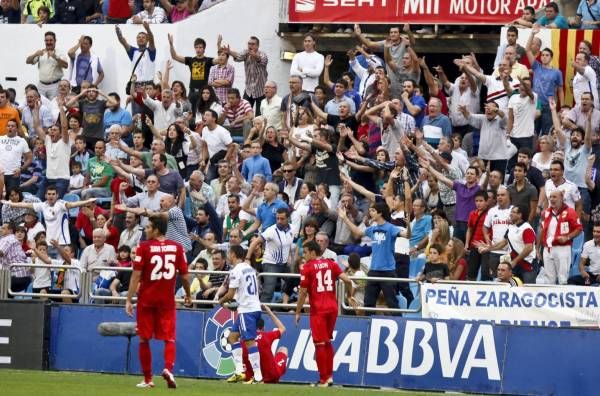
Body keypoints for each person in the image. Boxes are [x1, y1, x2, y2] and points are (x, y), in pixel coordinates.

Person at [125, 215, 192, 389]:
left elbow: (136, 275)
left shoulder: (144, 248)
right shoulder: (177, 248)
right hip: (167, 301)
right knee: (169, 338)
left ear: (156, 230)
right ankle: (168, 369)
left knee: (143, 339)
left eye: (148, 227)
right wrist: (188, 294)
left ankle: (148, 379)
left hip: (146, 300)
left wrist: (128, 299)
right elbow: (185, 276)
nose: (146, 230)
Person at [295, 240, 356, 387]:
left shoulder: (307, 268)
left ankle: (323, 379)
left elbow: (303, 293)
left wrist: (297, 311)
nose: (304, 255)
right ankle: (329, 377)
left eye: (305, 252)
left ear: (312, 252)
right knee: (327, 342)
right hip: (332, 308)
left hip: (318, 310)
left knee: (320, 343)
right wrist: (349, 296)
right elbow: (348, 281)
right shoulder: (331, 263)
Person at [339, 201, 401, 311]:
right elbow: (358, 232)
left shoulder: (391, 228)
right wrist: (345, 218)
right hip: (373, 270)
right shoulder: (372, 229)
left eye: (373, 210)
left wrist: (409, 225)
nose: (370, 212)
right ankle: (368, 325)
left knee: (392, 303)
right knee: (368, 303)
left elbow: (407, 235)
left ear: (380, 213)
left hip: (388, 271)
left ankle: (400, 324)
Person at [219, 245, 263, 384]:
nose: (228, 257)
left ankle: (258, 376)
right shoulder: (250, 268)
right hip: (253, 307)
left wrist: (221, 301)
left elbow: (231, 293)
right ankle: (239, 371)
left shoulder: (235, 270)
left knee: (250, 341)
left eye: (228, 254)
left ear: (233, 254)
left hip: (247, 310)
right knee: (232, 337)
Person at [479, 205, 537, 284]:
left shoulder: (526, 228)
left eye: (513, 212)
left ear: (520, 215)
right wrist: (488, 248)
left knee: (528, 290)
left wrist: (515, 261)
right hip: (515, 264)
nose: (510, 214)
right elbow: (504, 242)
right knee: (513, 287)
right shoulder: (511, 227)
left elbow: (529, 248)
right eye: (511, 212)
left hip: (527, 264)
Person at [246, 207, 293, 303]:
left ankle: (284, 301)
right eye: (277, 218)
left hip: (283, 264)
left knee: (293, 280)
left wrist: (289, 257)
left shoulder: (292, 228)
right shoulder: (271, 230)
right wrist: (247, 258)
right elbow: (254, 243)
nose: (279, 221)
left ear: (288, 219)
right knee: (269, 290)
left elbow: (288, 245)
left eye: (282, 219)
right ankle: (262, 312)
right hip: (270, 263)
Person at [538, 190, 583, 285]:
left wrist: (567, 237)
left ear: (562, 198)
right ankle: (551, 299)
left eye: (554, 197)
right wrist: (537, 248)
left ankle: (563, 299)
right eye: (550, 197)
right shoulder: (546, 213)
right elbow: (541, 230)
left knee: (563, 278)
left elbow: (579, 229)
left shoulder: (570, 212)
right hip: (547, 248)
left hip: (562, 248)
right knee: (549, 279)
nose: (551, 199)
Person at [241, 304, 288, 384]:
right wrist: (269, 311)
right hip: (271, 376)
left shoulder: (244, 339)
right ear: (263, 328)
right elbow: (282, 328)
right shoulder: (266, 336)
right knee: (283, 349)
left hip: (249, 376)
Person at [225, 35, 269, 115]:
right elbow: (238, 57)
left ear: (257, 46)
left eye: (253, 44)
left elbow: (261, 60)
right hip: (249, 90)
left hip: (261, 90)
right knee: (245, 113)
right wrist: (230, 52)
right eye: (249, 44)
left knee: (259, 115)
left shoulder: (263, 55)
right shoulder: (246, 53)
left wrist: (254, 55)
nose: (250, 46)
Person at [25, 31, 68, 100]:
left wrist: (55, 57)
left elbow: (66, 65)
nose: (49, 42)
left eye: (51, 40)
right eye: (47, 40)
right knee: (40, 105)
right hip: (41, 85)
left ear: (55, 41)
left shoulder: (59, 53)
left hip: (55, 85)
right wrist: (35, 54)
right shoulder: (41, 52)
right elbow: (28, 61)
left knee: (54, 106)